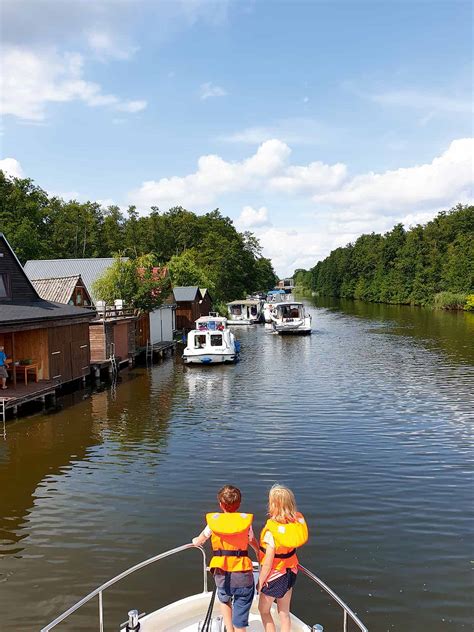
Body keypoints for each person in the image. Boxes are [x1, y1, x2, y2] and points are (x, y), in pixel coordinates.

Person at [192, 485, 259, 632]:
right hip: (242, 574)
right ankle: (238, 628)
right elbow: (251, 540)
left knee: (224, 599)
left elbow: (199, 540)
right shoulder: (245, 523)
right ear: (239, 504)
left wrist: (195, 541)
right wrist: (258, 550)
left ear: (221, 504)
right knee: (241, 609)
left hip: (222, 573)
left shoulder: (213, 523)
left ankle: (229, 629)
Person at [257, 485, 309, 632]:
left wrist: (260, 582)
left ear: (272, 505)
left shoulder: (271, 533)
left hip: (275, 576)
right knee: (284, 613)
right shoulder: (295, 525)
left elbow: (267, 564)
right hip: (290, 572)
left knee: (264, 610)